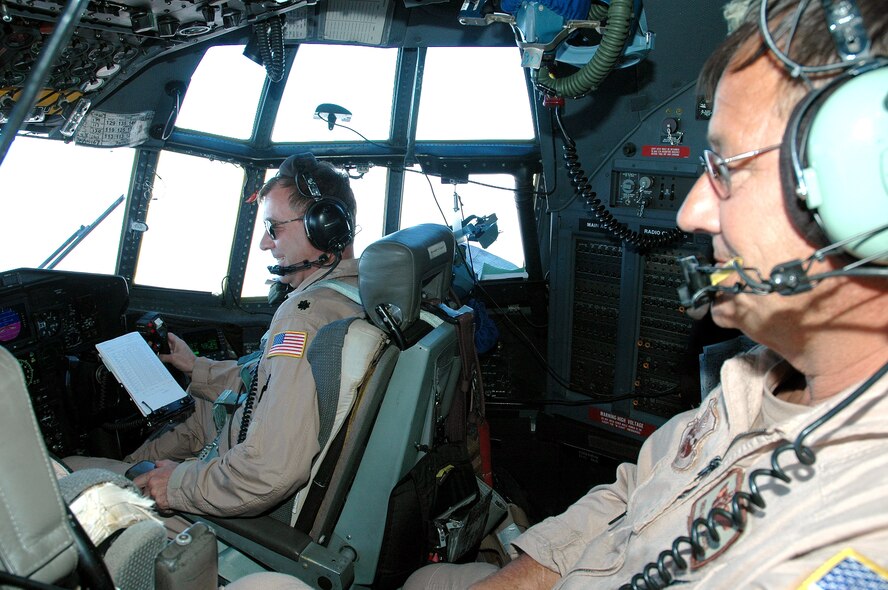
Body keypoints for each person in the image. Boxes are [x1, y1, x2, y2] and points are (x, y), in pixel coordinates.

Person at [405, 0, 888, 587]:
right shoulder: (750, 382)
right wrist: (522, 576)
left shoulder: (855, 542)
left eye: (727, 169)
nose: (689, 212)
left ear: (865, 193)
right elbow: (639, 487)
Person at [67, 152, 364, 517]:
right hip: (233, 437)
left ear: (324, 226)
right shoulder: (354, 296)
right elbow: (267, 380)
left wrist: (176, 485)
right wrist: (196, 367)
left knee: (67, 471)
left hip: (240, 499)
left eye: (274, 228)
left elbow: (268, 471)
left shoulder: (304, 318)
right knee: (162, 441)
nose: (264, 244)